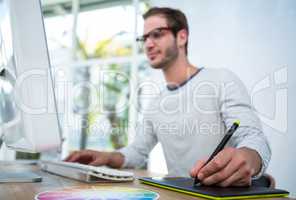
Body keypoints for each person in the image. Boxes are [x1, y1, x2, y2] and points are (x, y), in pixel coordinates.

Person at [65, 7, 271, 187]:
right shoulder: (156, 103)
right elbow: (137, 151)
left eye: (157, 34)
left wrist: (250, 157)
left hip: (218, 192)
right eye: (144, 38)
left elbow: (252, 137)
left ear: (182, 37)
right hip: (177, 193)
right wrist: (107, 156)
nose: (148, 44)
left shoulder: (221, 79)